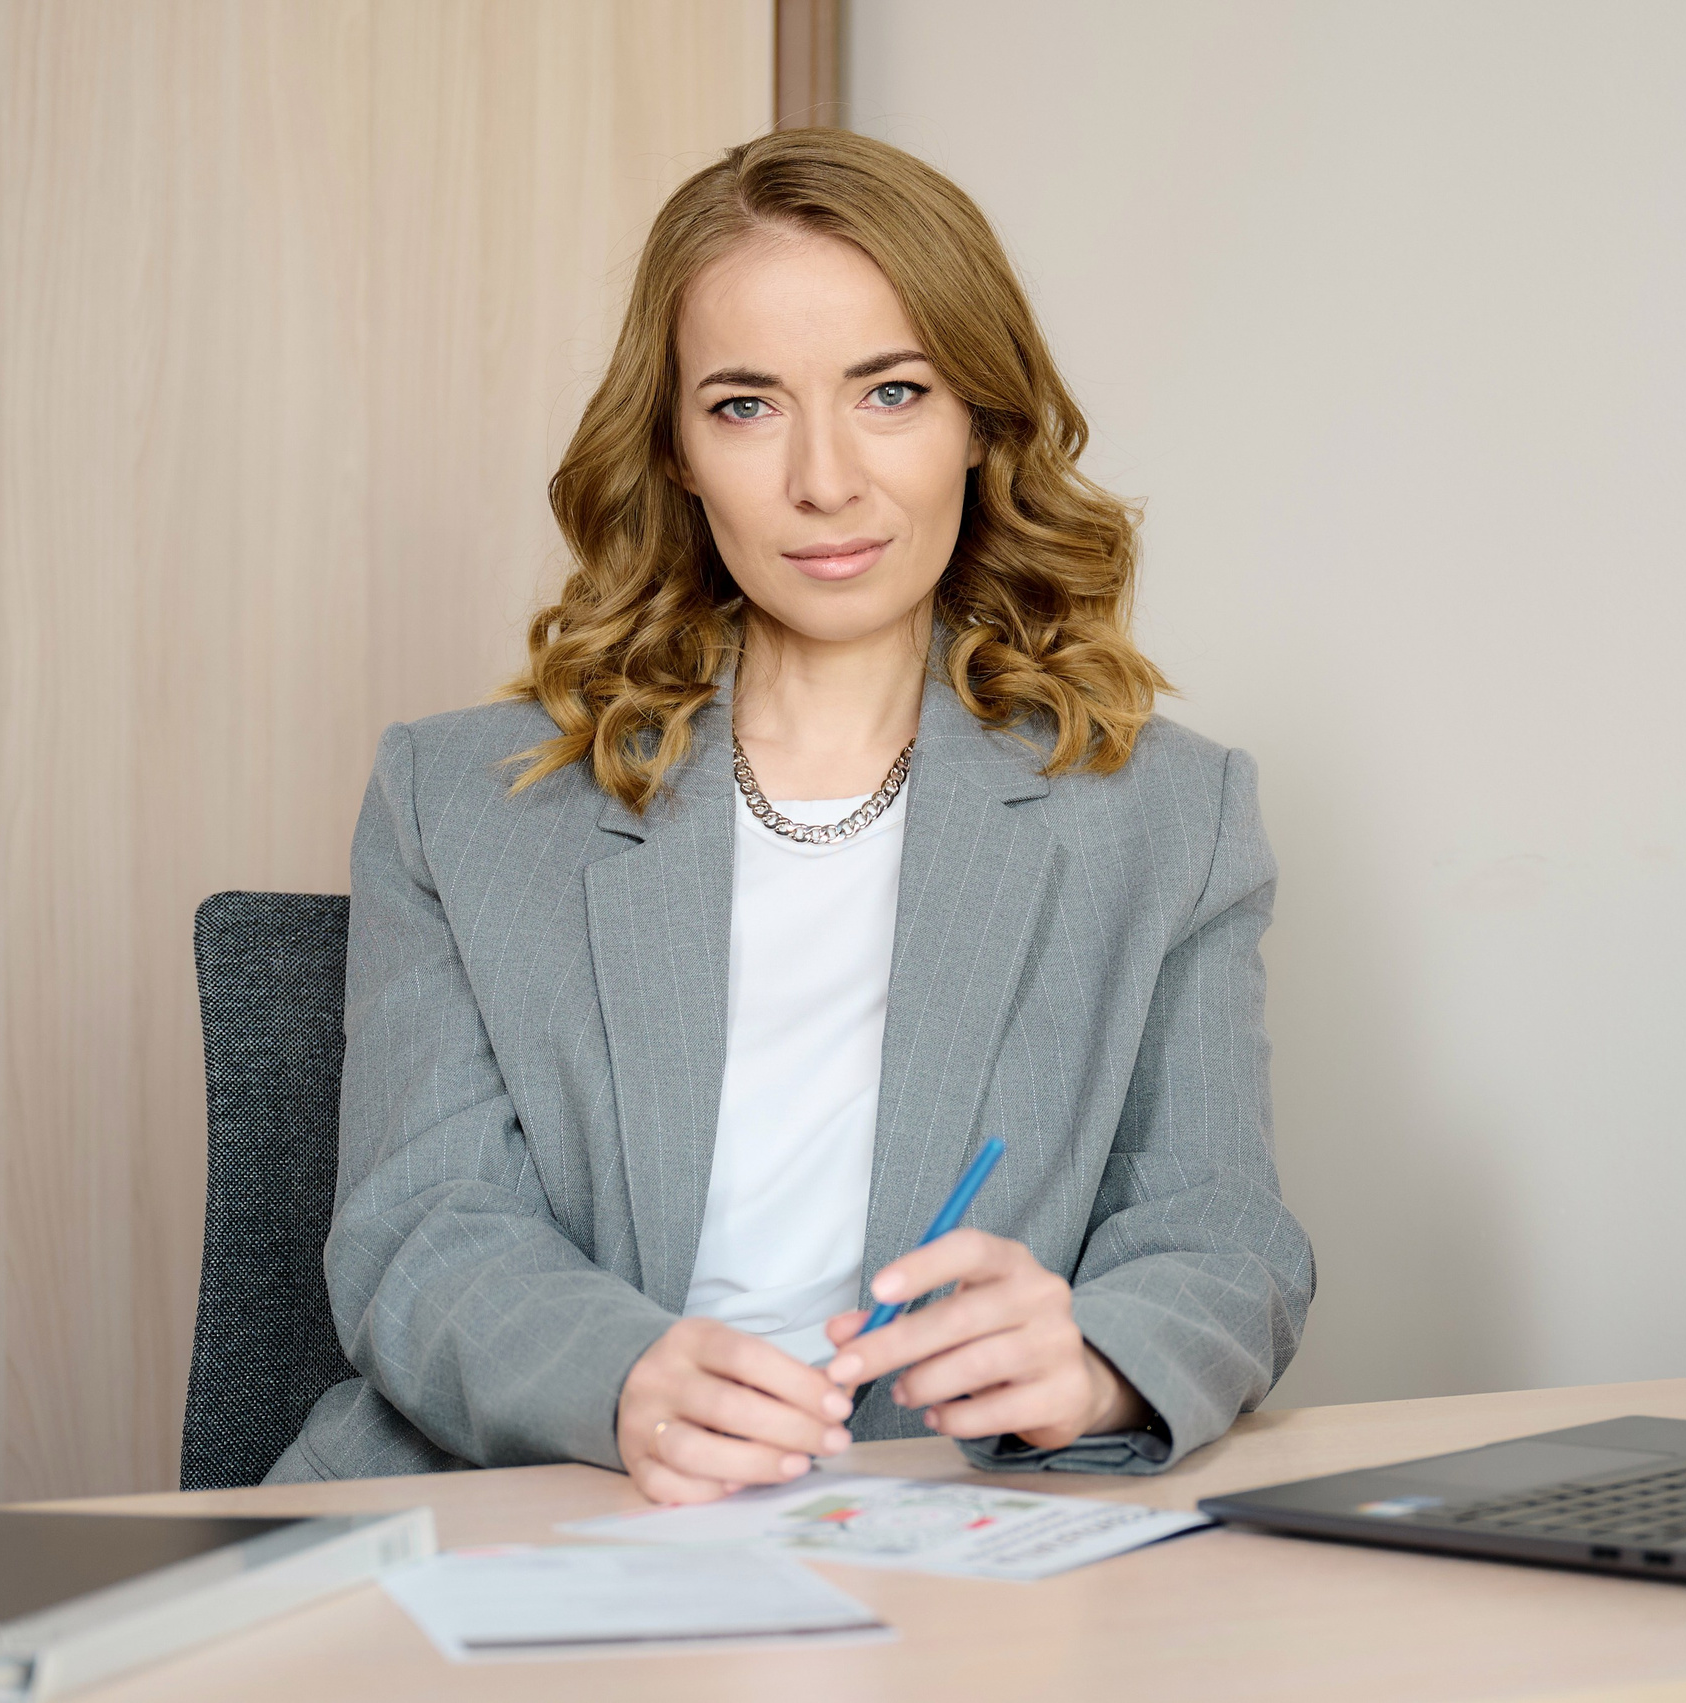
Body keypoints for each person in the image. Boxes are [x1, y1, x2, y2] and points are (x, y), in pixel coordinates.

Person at [267, 130, 1313, 1498]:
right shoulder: (457, 800)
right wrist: (621, 1381)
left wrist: (1102, 1358)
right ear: (678, 451)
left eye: (891, 392)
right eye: (747, 405)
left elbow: (1221, 1230)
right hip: (525, 1503)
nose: (826, 479)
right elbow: (419, 1227)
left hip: (938, 1534)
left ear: (982, 425)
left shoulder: (1170, 817)